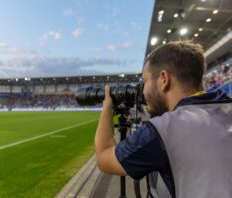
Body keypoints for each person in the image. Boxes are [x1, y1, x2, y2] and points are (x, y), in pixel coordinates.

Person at [95, 40, 232, 198]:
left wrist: (107, 106)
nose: (143, 91)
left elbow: (104, 157)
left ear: (164, 79)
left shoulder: (163, 130)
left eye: (145, 82)